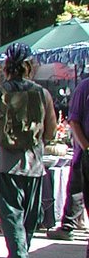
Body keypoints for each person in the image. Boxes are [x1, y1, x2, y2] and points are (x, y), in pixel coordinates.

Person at [0, 43, 57, 258]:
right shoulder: (43, 94)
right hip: (34, 165)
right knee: (28, 220)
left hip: (5, 164)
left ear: (6, 66)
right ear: (30, 66)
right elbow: (50, 132)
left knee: (11, 218)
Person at [49, 74, 89, 239]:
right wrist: (87, 147)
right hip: (86, 152)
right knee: (77, 189)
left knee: (76, 189)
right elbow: (74, 120)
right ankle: (68, 225)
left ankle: (68, 225)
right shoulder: (85, 87)